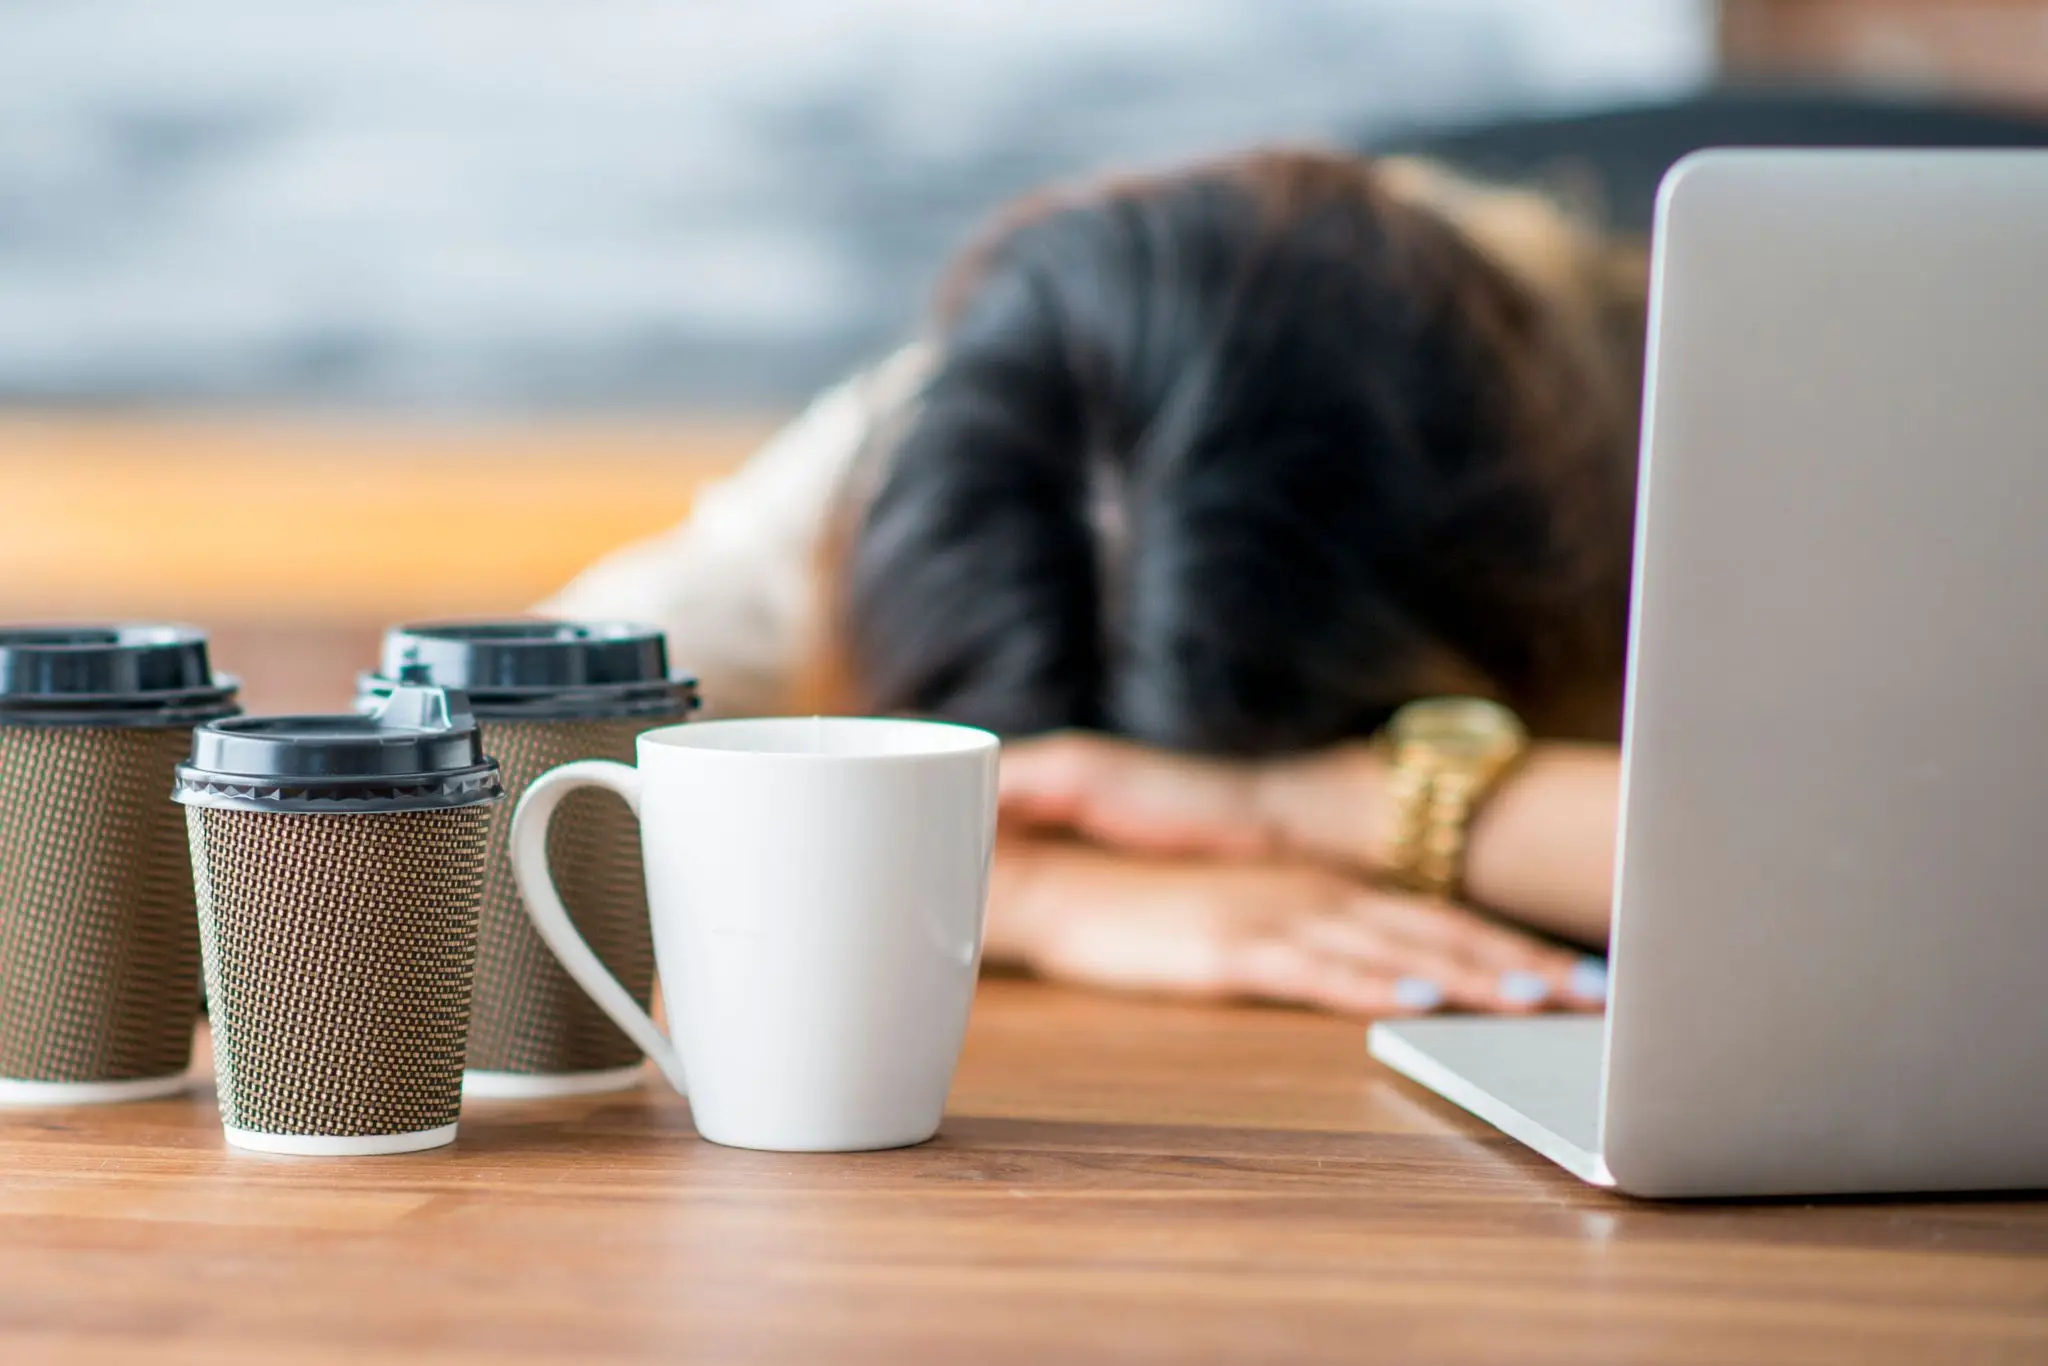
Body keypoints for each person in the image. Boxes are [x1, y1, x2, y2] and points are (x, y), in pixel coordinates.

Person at [543, 148, 1644, 1018]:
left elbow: (1811, 874)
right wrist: (1028, 897)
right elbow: (479, 789)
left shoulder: (1685, 400)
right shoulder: (949, 438)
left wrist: (1304, 803)